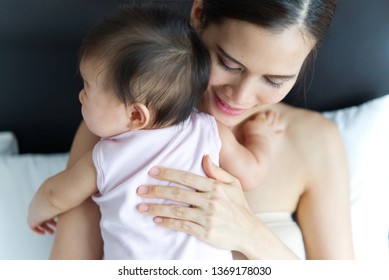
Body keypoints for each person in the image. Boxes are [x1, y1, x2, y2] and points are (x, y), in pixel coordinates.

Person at [49, 0, 355, 260]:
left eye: (274, 81)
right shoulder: (119, 128)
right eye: (228, 64)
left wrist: (252, 235)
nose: (241, 97)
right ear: (199, 15)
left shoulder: (314, 141)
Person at [27, 4, 280, 260]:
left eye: (88, 88)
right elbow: (252, 173)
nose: (81, 95)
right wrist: (261, 137)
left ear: (136, 115)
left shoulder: (104, 157)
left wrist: (35, 214)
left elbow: (55, 196)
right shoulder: (210, 131)